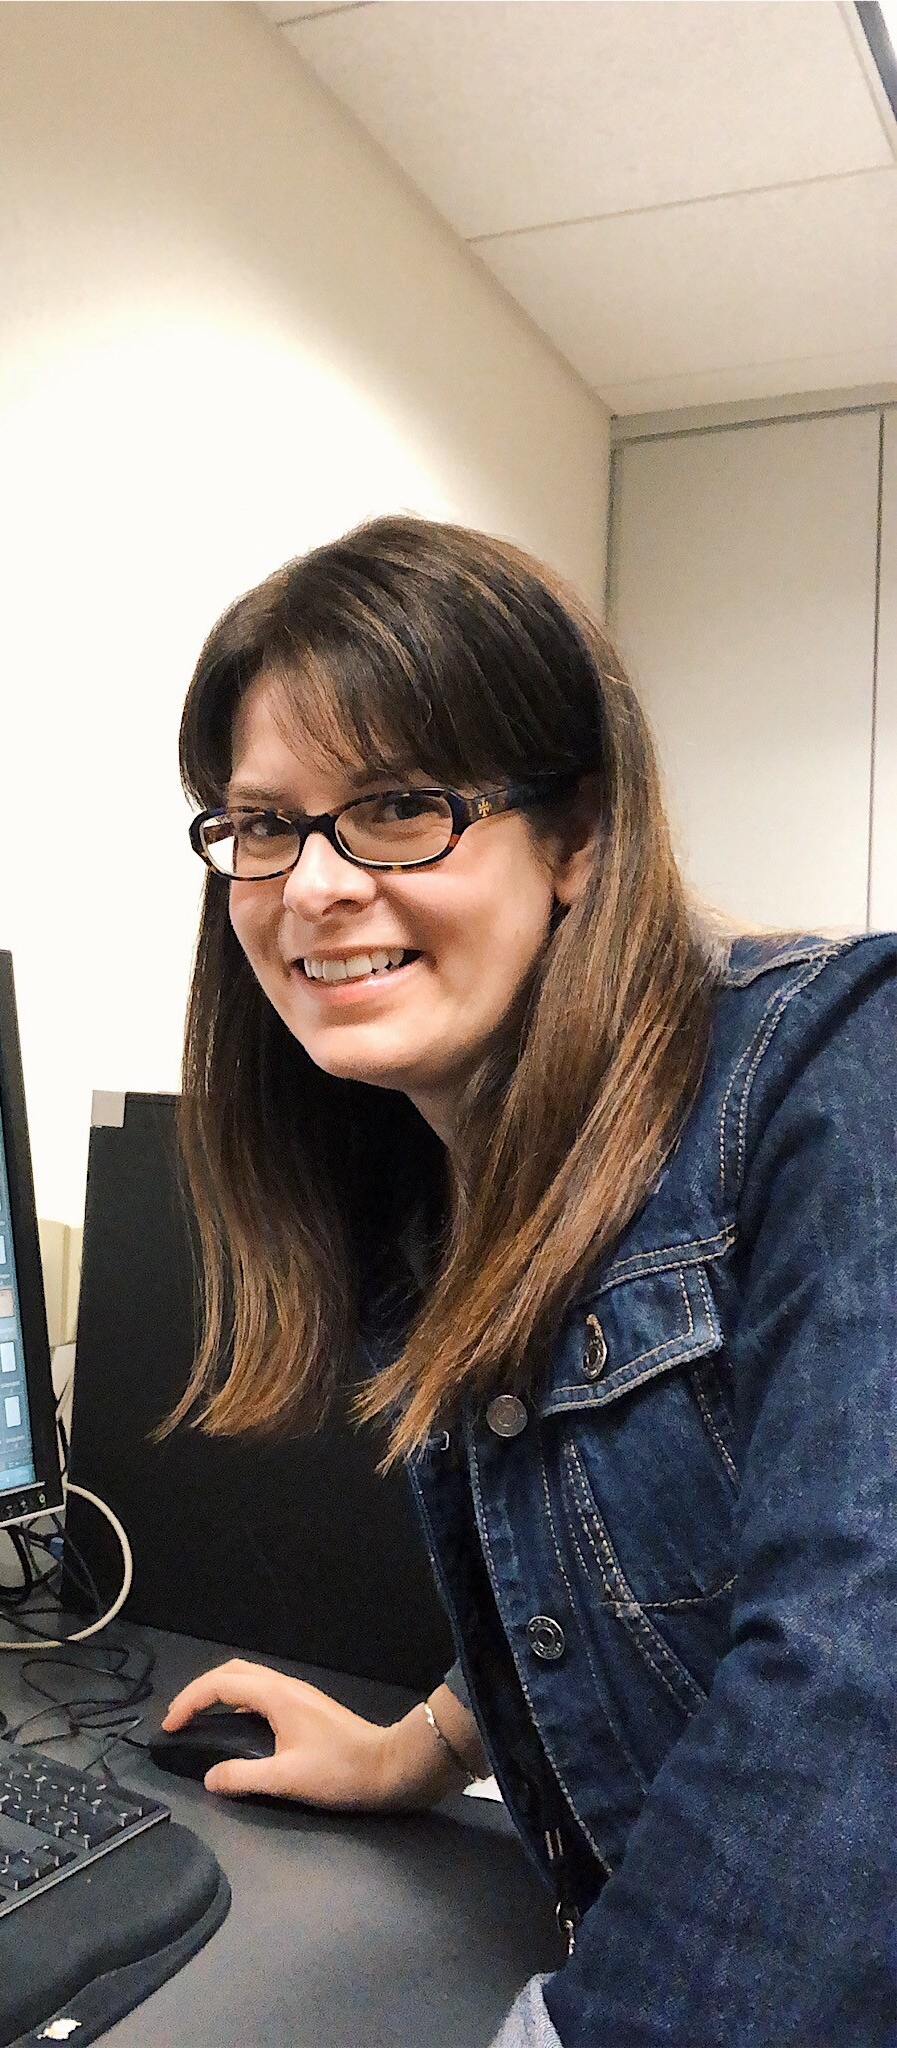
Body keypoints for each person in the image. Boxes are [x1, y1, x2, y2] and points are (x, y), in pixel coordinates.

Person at [157, 516, 896, 2047]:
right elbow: (628, 1555)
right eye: (264, 823)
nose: (311, 888)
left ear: (574, 838)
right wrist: (416, 1747)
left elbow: (852, 1672)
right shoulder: (447, 1175)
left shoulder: (830, 1067)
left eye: (400, 810)